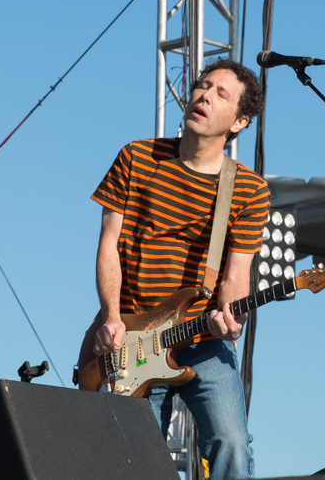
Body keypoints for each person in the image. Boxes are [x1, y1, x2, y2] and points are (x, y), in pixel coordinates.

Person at [80, 58, 269, 480]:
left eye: (221, 93)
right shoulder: (137, 157)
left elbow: (237, 272)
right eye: (203, 85)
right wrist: (111, 317)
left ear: (239, 121)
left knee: (232, 442)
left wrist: (230, 316)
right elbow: (108, 244)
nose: (204, 94)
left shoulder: (249, 190)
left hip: (201, 337)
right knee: (131, 457)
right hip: (130, 337)